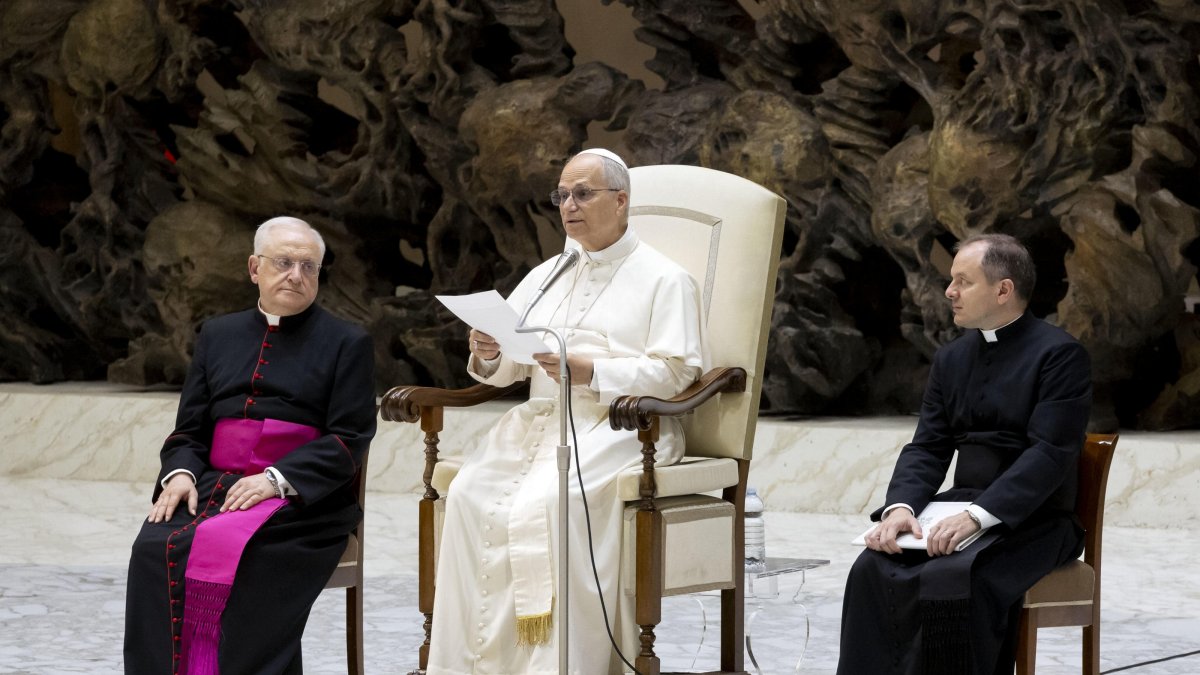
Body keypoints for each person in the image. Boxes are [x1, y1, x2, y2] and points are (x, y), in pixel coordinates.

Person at [427, 148, 708, 674]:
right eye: (562, 195)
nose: (569, 206)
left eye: (583, 193)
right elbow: (512, 365)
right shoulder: (546, 274)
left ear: (621, 202)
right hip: (540, 423)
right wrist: (488, 351)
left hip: (621, 426)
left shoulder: (665, 279)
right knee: (468, 493)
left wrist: (592, 372)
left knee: (553, 501)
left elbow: (676, 373)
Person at [124, 216, 376, 674]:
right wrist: (179, 473)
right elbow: (188, 430)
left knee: (251, 557)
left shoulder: (348, 342)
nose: (296, 275)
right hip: (213, 485)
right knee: (152, 548)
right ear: (254, 268)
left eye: (309, 267)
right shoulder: (218, 334)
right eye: (283, 262)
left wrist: (277, 480)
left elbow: (350, 437)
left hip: (301, 499)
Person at [837, 233, 1092, 675]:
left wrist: (979, 516)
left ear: (1003, 289)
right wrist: (900, 509)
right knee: (871, 568)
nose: (949, 291)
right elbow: (929, 445)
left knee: (957, 578)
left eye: (962, 281)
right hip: (961, 505)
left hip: (1035, 517)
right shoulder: (951, 359)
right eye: (951, 281)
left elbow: (1050, 453)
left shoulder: (1060, 355)